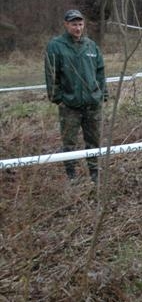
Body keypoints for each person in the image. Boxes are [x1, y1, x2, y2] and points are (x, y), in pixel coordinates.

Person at [44, 9, 107, 183]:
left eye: (80, 24)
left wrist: (102, 94)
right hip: (69, 105)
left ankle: (95, 173)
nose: (77, 28)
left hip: (92, 103)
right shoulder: (56, 46)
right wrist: (58, 98)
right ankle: (71, 176)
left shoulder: (91, 46)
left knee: (93, 142)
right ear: (66, 25)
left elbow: (100, 72)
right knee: (69, 142)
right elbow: (51, 74)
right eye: (73, 24)